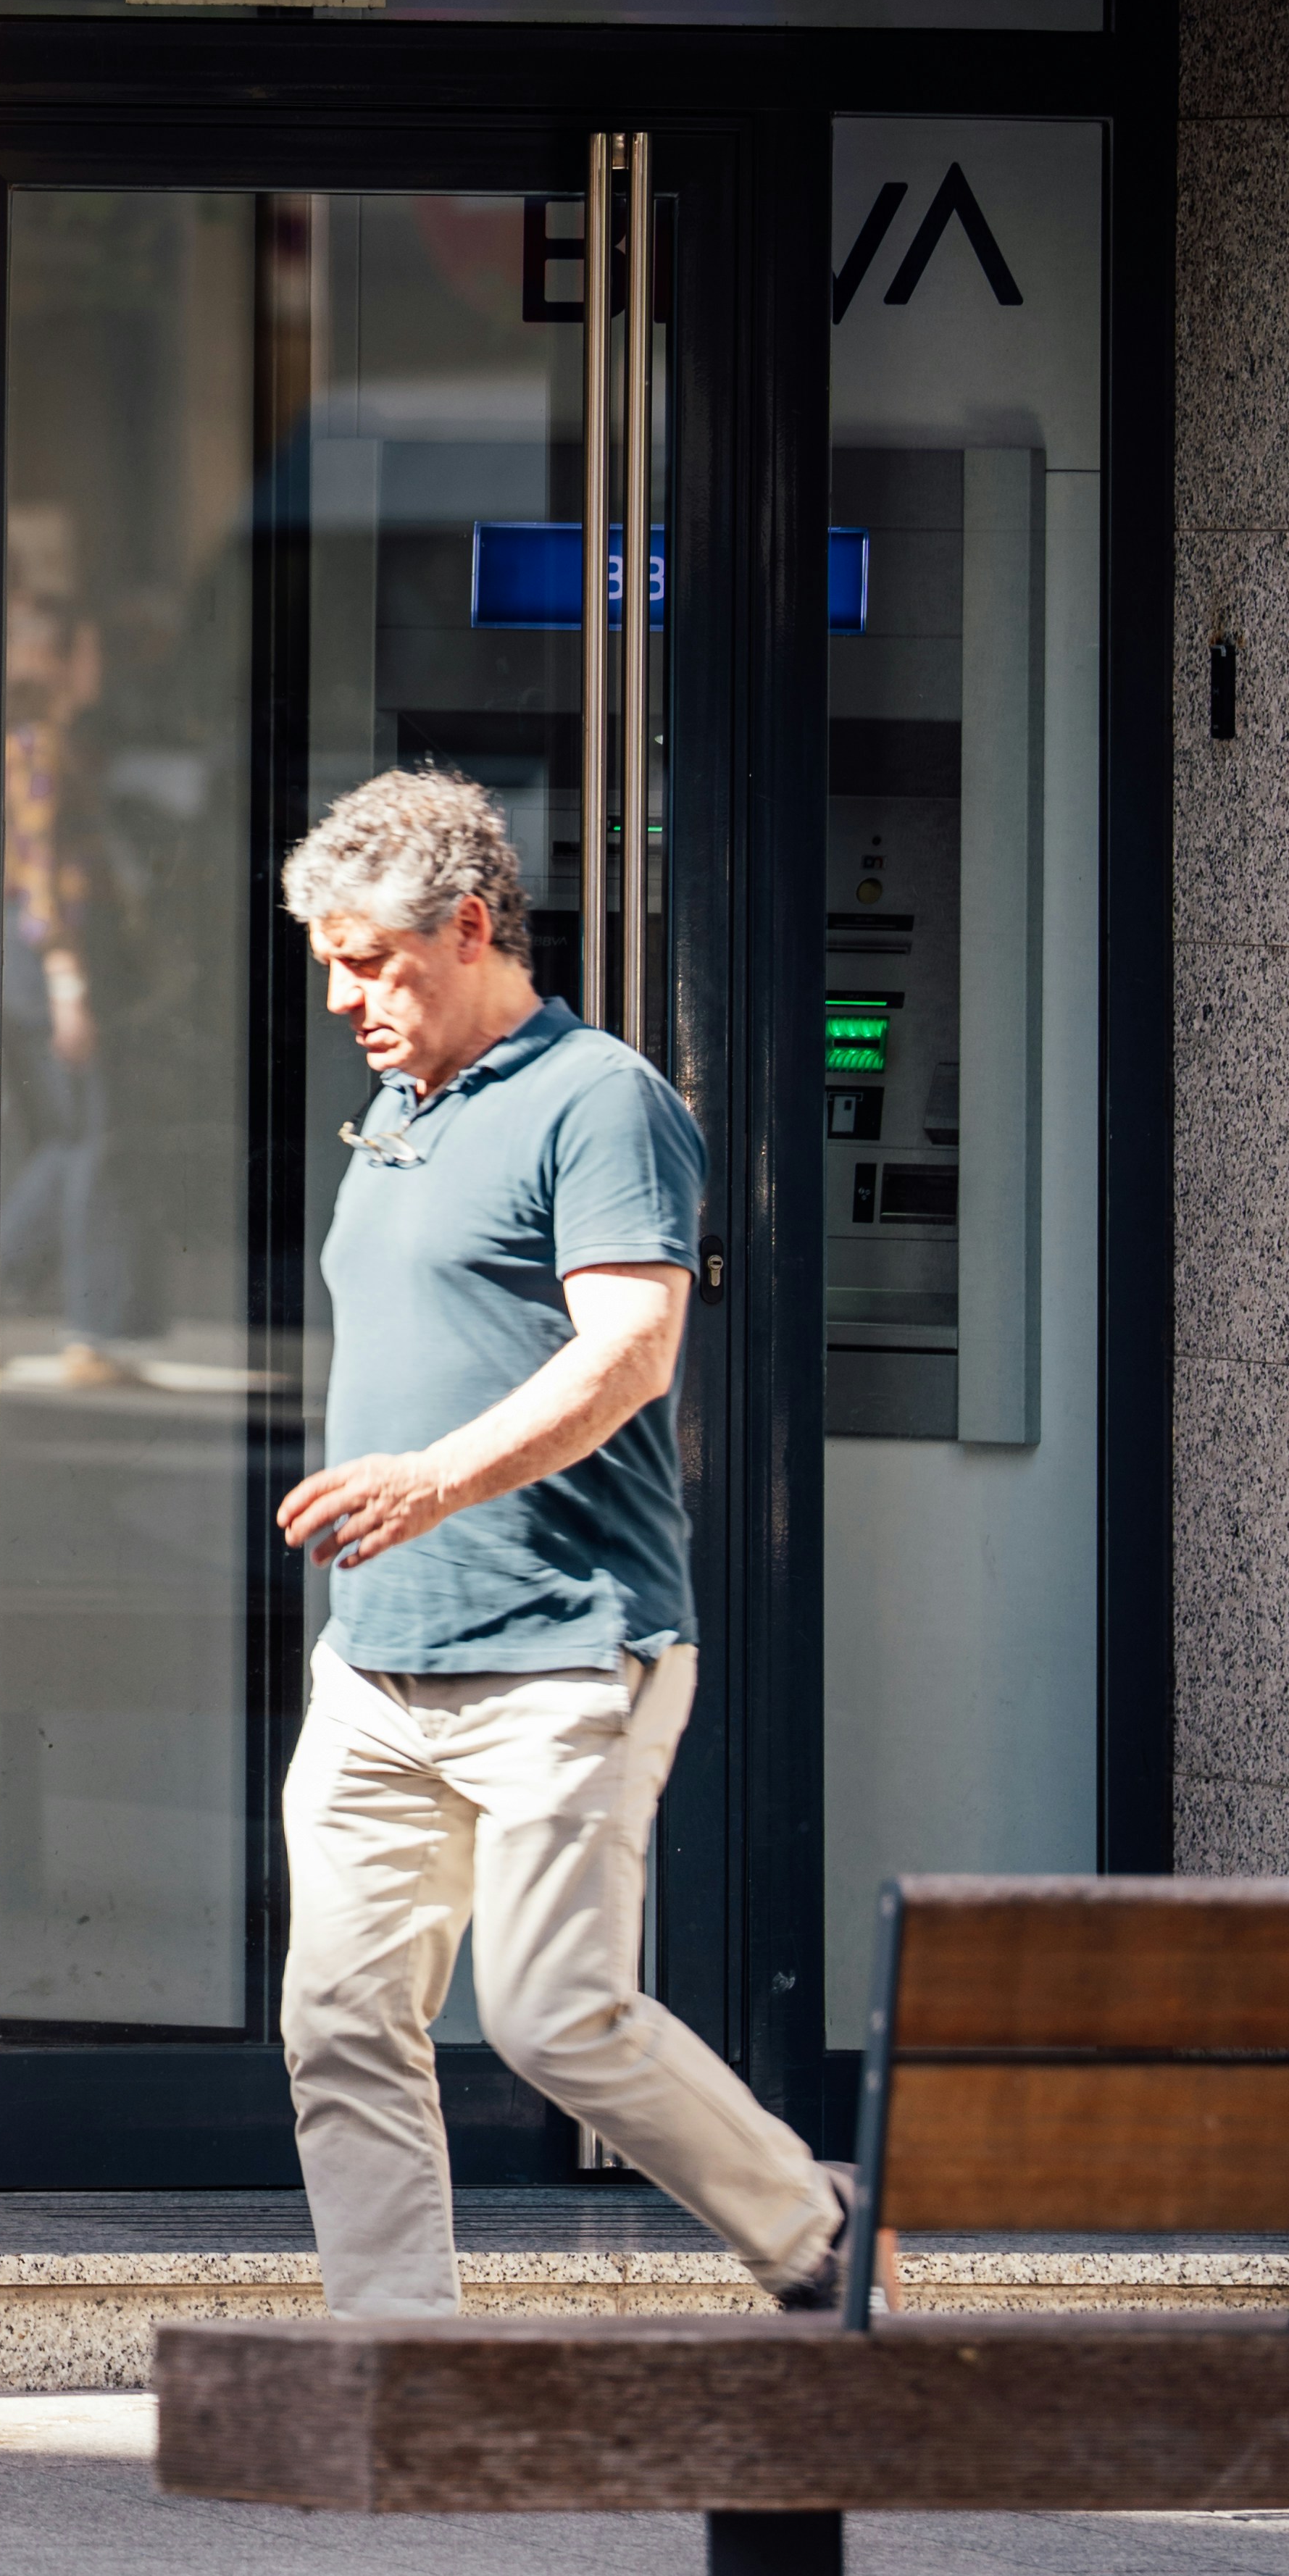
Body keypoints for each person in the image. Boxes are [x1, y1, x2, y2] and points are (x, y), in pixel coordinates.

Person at [273, 764, 872, 2318]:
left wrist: (429, 1484)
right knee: (338, 2019)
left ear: (468, 926)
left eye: (367, 962)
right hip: (377, 1661)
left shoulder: (597, 1098)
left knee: (552, 2020)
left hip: (562, 1649)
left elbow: (628, 1353)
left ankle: (808, 2232)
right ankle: (394, 2370)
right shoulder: (401, 1112)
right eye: (326, 962)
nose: (340, 996)